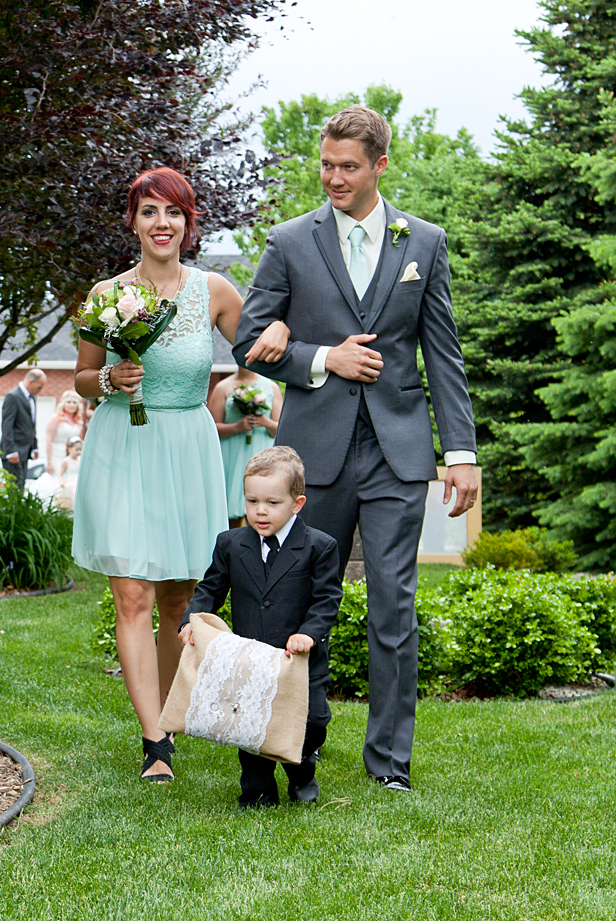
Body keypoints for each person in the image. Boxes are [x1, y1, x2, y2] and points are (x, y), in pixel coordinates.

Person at [233, 106, 478, 792]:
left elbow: (443, 354)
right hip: (313, 456)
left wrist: (460, 451)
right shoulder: (288, 241)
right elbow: (248, 337)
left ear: (379, 166)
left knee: (393, 606)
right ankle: (294, 747)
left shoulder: (423, 242)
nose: (333, 178)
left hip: (398, 454)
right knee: (300, 605)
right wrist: (319, 358)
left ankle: (389, 765)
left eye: (347, 166)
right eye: (326, 164)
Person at [72, 167, 244, 782]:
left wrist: (282, 330)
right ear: (134, 222)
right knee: (133, 593)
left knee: (178, 596)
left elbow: (257, 351)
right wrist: (108, 380)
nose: (161, 224)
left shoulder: (215, 291)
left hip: (188, 447)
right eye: (148, 212)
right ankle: (154, 745)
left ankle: (173, 717)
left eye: (172, 212)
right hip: (124, 446)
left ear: (188, 221)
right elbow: (81, 377)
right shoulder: (106, 295)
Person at [179, 446, 343, 807]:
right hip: (250, 657)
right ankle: (258, 790)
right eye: (252, 501)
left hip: (300, 660)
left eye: (272, 502)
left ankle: (302, 772)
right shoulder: (231, 543)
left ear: (297, 503)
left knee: (311, 721)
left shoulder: (320, 546)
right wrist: (192, 620)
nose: (260, 511)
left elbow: (327, 599)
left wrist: (308, 633)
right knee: (249, 723)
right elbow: (210, 588)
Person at [208, 367, 283, 525]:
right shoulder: (223, 387)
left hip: (261, 452)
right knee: (230, 511)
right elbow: (212, 429)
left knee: (262, 505)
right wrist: (237, 427)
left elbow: (281, 428)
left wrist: (265, 422)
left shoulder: (271, 387)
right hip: (232, 455)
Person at [0, 369, 47, 491]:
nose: (40, 391)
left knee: (21, 486)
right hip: (13, 451)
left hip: (25, 451)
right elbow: (7, 425)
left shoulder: (32, 398)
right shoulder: (13, 396)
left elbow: (31, 424)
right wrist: (11, 451)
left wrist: (34, 446)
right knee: (15, 488)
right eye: (39, 387)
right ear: (31, 381)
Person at [45, 390, 84, 484]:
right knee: (58, 479)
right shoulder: (56, 418)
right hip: (57, 454)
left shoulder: (77, 421)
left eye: (74, 402)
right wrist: (49, 461)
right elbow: (48, 439)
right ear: (64, 403)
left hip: (71, 455)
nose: (71, 405)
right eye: (69, 402)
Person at [55, 435, 82, 511]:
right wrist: (62, 483)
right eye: (77, 449)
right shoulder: (66, 460)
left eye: (80, 450)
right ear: (69, 449)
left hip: (78, 482)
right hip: (70, 484)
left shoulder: (80, 460)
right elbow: (61, 474)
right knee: (71, 499)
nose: (79, 452)